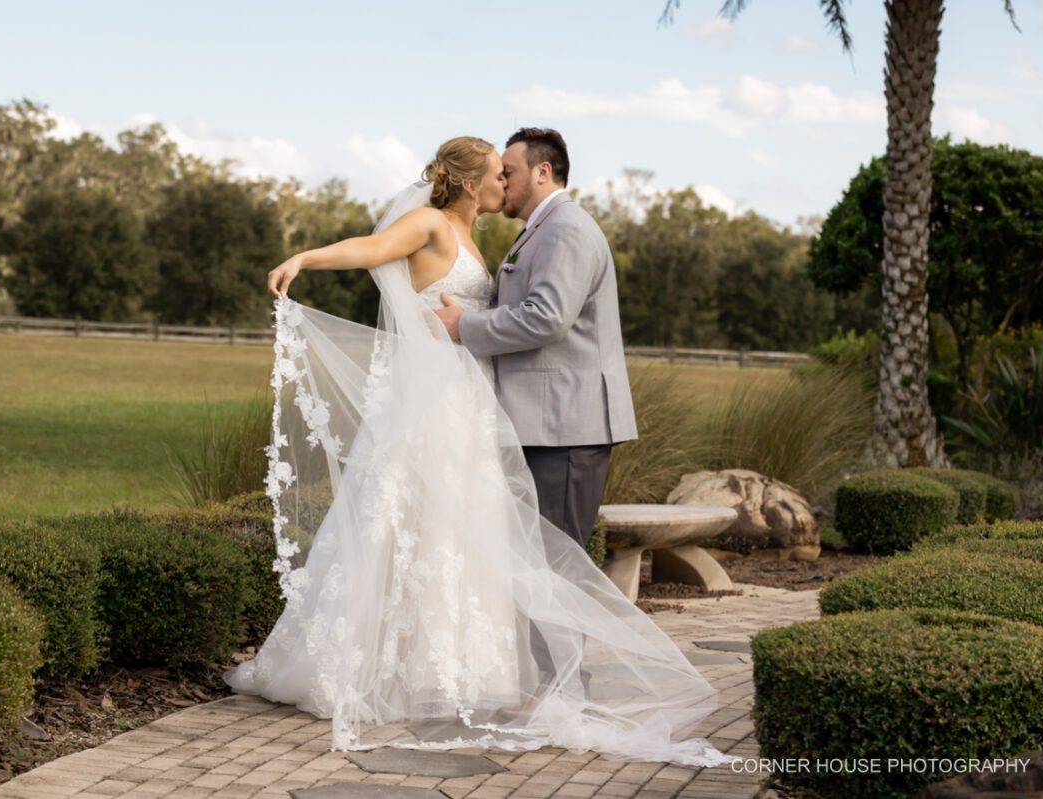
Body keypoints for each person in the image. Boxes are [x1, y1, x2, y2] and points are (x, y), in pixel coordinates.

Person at [224, 134, 733, 766]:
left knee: (466, 535)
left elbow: (537, 317)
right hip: (441, 401)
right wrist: (304, 257)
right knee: (419, 525)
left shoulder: (523, 233)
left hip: (478, 404)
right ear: (471, 184)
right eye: (498, 173)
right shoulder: (432, 224)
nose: (505, 183)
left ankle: (493, 675)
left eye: (511, 173)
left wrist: (464, 325)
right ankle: (408, 669)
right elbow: (372, 249)